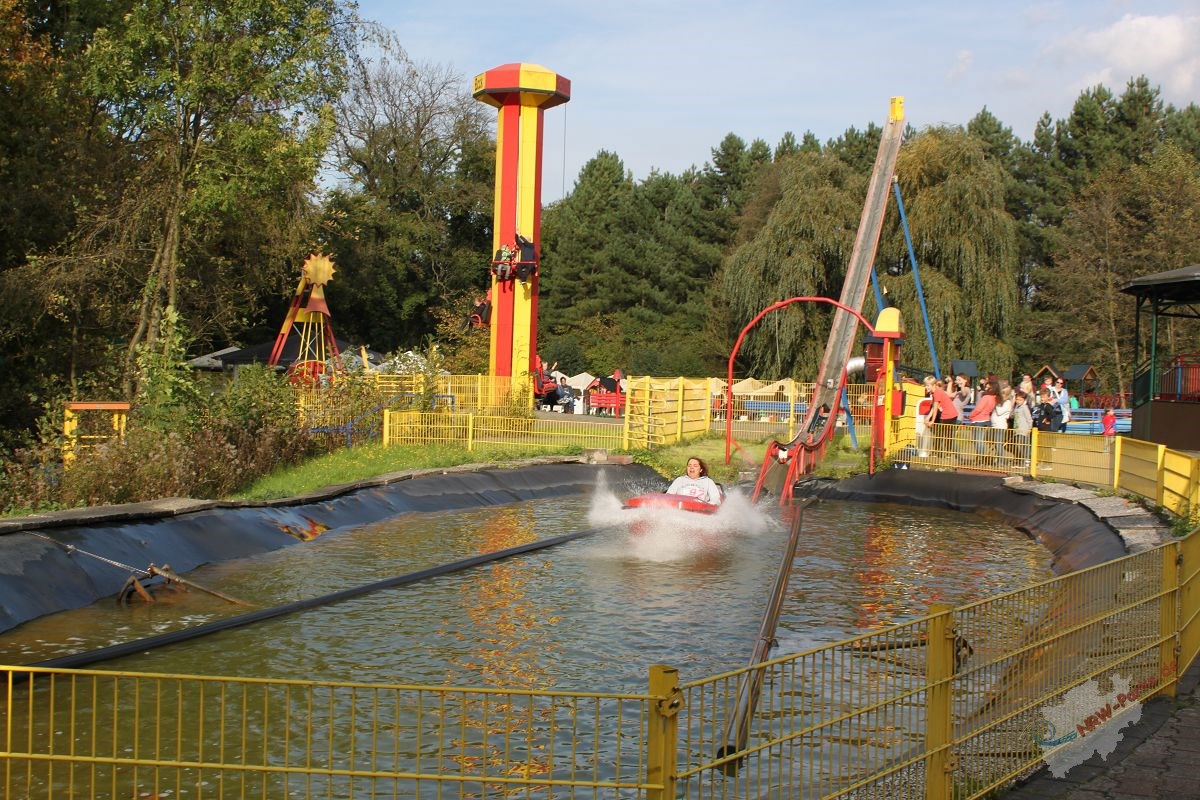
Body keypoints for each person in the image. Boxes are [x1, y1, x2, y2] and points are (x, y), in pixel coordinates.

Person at [1012, 390, 1033, 466]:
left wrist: (1029, 429)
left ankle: (1027, 460)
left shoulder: (1025, 407)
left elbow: (1029, 419)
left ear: (1024, 400)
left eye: (1020, 400)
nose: (1018, 401)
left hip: (1024, 429)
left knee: (1024, 445)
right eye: (1017, 399)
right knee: (1019, 445)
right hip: (1017, 429)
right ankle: (1023, 459)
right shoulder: (1017, 407)